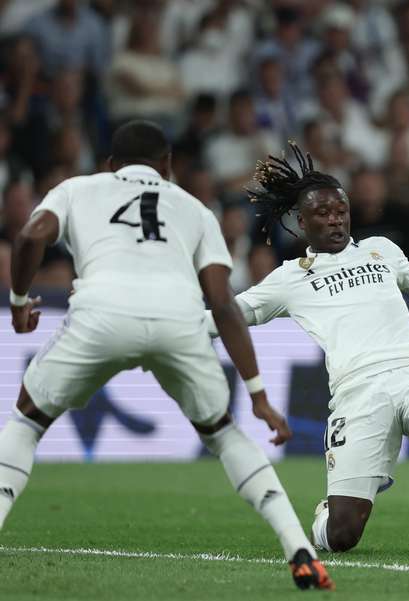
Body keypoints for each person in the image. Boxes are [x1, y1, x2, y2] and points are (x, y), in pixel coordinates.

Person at [0, 121, 333, 591]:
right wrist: (257, 394)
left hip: (101, 313)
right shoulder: (196, 210)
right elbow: (221, 302)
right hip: (180, 319)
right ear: (168, 166)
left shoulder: (78, 188)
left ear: (111, 165)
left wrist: (17, 303)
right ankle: (299, 547)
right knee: (223, 433)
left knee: (27, 421)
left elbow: (32, 235)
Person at [205, 143, 409, 555]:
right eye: (323, 214)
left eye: (341, 211)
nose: (335, 220)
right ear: (301, 221)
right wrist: (176, 329)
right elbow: (231, 314)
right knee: (341, 536)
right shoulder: (288, 280)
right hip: (358, 394)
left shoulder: (381, 250)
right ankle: (330, 509)